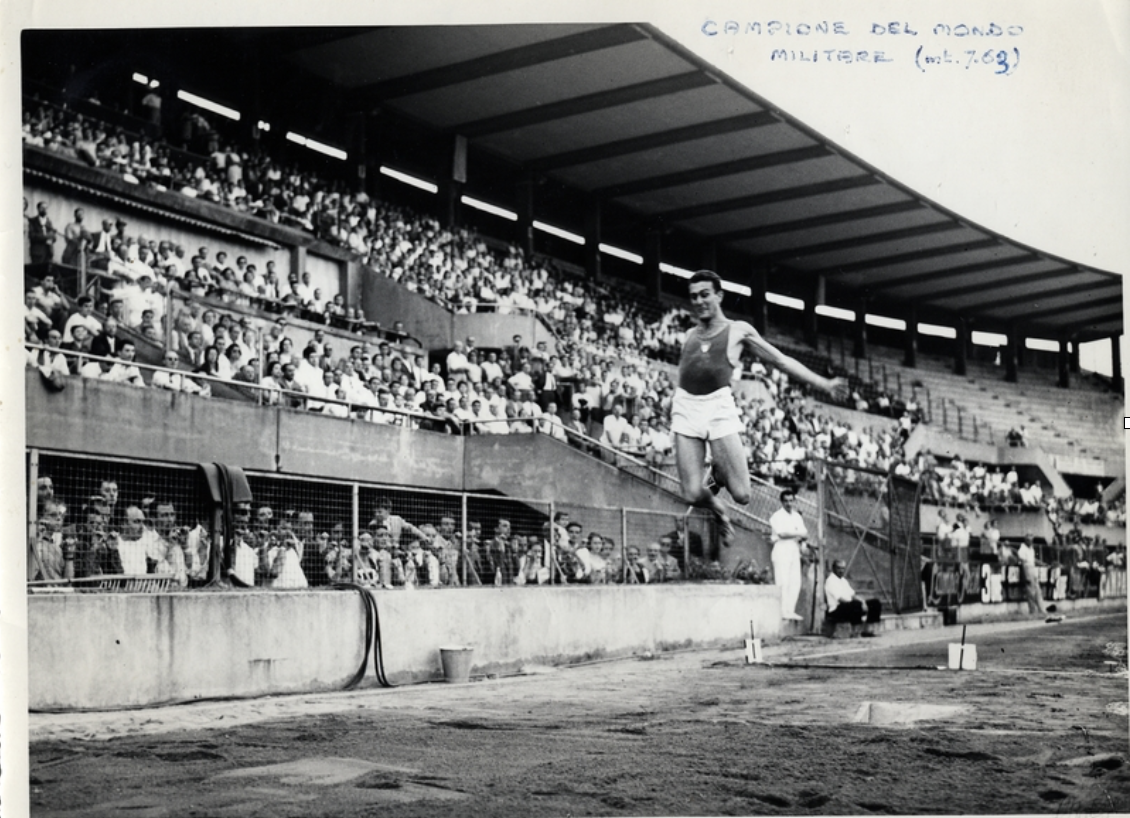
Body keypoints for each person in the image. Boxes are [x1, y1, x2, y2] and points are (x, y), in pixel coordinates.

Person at [673, 270, 846, 546]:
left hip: (718, 407)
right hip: (686, 408)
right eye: (694, 296)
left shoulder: (738, 330)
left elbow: (782, 361)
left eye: (705, 294)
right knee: (692, 494)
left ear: (719, 295)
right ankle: (719, 509)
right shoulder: (690, 334)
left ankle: (719, 473)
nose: (699, 301)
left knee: (742, 494)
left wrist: (823, 383)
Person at [769, 489, 810, 621]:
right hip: (781, 548)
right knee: (783, 581)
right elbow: (782, 534)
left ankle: (790, 610)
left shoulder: (797, 516)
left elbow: (805, 534)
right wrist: (798, 534)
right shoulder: (776, 516)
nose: (788, 503)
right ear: (781, 502)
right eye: (785, 501)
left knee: (795, 582)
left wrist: (802, 542)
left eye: (791, 500)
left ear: (794, 501)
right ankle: (782, 611)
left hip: (794, 549)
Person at [824, 559, 881, 637]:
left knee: (875, 603)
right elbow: (841, 599)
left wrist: (863, 602)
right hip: (836, 609)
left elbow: (853, 595)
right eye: (839, 568)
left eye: (843, 568)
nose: (841, 570)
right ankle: (855, 632)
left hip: (849, 606)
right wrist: (859, 604)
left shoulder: (843, 580)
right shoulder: (830, 581)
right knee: (855, 604)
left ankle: (869, 630)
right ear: (833, 568)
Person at [1016, 535, 1046, 615]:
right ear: (1026, 541)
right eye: (1029, 540)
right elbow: (1022, 560)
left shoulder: (1031, 549)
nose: (1031, 542)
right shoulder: (1022, 549)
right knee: (1030, 591)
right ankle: (1033, 610)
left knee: (1037, 590)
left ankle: (1042, 609)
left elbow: (1032, 560)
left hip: (1032, 567)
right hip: (1027, 568)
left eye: (1031, 540)